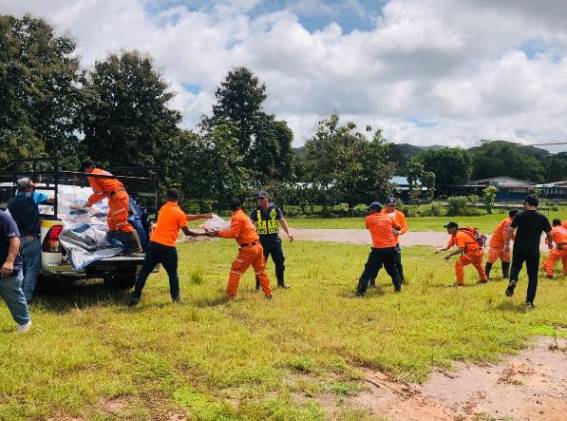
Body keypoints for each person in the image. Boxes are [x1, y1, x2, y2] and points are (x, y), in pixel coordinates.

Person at [129, 189, 209, 306]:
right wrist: (204, 233)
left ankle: (135, 298)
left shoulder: (163, 208)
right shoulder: (179, 213)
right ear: (178, 199)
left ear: (167, 198)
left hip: (154, 245)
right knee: (172, 274)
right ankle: (175, 299)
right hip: (168, 249)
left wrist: (202, 216)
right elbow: (187, 231)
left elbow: (183, 217)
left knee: (143, 273)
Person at [207, 198, 272, 300]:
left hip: (248, 249)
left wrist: (217, 233)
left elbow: (234, 233)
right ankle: (268, 294)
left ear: (231, 208)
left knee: (235, 270)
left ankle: (230, 295)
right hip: (258, 247)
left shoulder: (237, 217)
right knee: (260, 271)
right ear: (240, 206)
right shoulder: (243, 216)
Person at [75, 160, 142, 253]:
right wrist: (90, 203)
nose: (85, 172)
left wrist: (88, 203)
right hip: (116, 197)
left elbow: (99, 193)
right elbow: (103, 192)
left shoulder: (93, 175)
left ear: (88, 168)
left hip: (117, 197)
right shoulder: (101, 172)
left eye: (84, 170)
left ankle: (137, 248)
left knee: (121, 222)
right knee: (111, 220)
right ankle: (113, 243)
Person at [7, 178, 52, 302]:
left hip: (17, 240)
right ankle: (26, 297)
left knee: (21, 268)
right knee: (32, 269)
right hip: (31, 239)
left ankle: (16, 294)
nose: (34, 188)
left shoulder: (11, 202)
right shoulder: (33, 196)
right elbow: (52, 199)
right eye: (32, 186)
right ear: (28, 187)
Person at [504, 195, 553, 309]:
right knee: (532, 277)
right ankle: (529, 302)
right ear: (537, 205)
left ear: (526, 203)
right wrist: (550, 243)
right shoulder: (542, 217)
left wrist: (506, 245)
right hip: (533, 251)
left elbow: (510, 230)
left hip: (519, 248)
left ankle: (513, 280)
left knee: (515, 266)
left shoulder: (519, 216)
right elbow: (549, 233)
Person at [356, 201, 401, 297]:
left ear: (373, 210)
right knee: (392, 269)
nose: (369, 212)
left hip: (379, 249)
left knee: (368, 270)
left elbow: (369, 227)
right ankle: (398, 288)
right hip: (392, 248)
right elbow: (398, 227)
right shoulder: (389, 217)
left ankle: (360, 292)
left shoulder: (368, 219)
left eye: (370, 210)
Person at [250, 191, 293, 289]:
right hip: (262, 241)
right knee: (260, 264)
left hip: (274, 240)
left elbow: (282, 221)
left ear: (267, 198)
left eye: (262, 198)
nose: (260, 201)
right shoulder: (256, 211)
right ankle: (258, 285)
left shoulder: (275, 209)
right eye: (259, 199)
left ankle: (281, 283)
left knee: (280, 262)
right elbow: (250, 224)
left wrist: (289, 233)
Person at [0, 210, 31, 333]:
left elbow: (15, 240)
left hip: (7, 266)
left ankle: (24, 323)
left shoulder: (4, 217)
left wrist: (9, 262)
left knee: (13, 296)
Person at [369, 197, 408, 287]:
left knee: (398, 263)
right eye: (390, 205)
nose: (392, 207)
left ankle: (401, 280)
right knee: (377, 264)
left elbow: (404, 227)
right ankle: (372, 281)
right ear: (385, 205)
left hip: (394, 244)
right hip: (381, 244)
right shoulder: (380, 213)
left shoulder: (400, 215)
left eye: (393, 205)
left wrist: (399, 232)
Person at [436, 222, 487, 286]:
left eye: (449, 228)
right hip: (478, 252)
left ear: (454, 228)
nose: (447, 230)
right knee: (478, 266)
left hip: (472, 253)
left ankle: (459, 283)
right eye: (447, 228)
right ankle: (484, 279)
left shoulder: (459, 235)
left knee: (459, 264)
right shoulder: (454, 236)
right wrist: (439, 250)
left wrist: (449, 255)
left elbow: (461, 249)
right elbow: (448, 247)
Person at [484, 210, 518, 280]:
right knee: (491, 259)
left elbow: (510, 234)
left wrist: (517, 241)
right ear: (515, 216)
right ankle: (485, 276)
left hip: (502, 244)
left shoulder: (510, 221)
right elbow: (505, 233)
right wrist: (507, 244)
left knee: (506, 259)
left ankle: (505, 275)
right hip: (496, 244)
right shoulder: (508, 222)